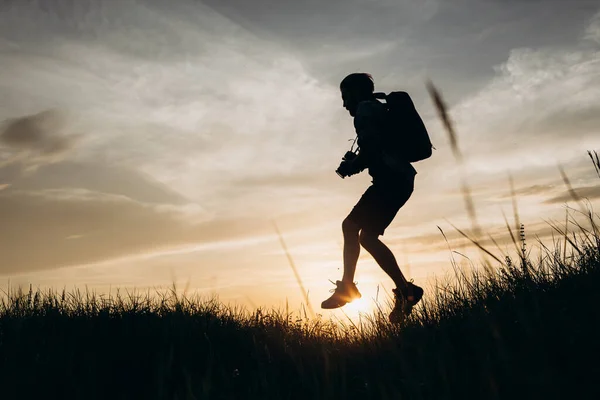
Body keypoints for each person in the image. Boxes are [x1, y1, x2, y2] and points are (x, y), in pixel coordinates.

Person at [321, 72, 424, 323]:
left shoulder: (366, 110)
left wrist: (351, 166)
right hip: (397, 180)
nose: (344, 104)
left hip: (391, 179)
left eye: (346, 97)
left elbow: (371, 151)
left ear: (357, 92)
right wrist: (356, 163)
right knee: (367, 237)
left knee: (350, 227)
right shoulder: (375, 109)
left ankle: (348, 288)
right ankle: (406, 290)